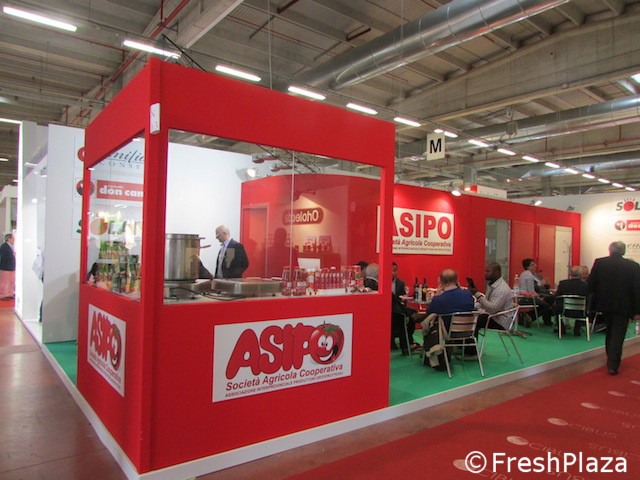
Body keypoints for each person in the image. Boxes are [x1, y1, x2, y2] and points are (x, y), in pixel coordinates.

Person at [588, 241, 640, 375]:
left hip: (604, 304)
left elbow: (591, 284)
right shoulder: (633, 266)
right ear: (623, 251)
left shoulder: (600, 263)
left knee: (609, 331)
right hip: (624, 306)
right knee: (618, 334)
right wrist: (637, 310)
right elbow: (637, 290)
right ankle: (613, 363)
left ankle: (610, 357)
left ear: (610, 250)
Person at [421, 269, 475, 368]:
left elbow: (429, 312)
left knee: (431, 322)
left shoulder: (439, 299)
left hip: (447, 333)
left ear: (441, 281)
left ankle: (430, 354)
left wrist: (437, 294)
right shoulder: (468, 295)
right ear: (456, 280)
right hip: (469, 332)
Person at [469, 262, 515, 354]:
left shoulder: (501, 289)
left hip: (500, 321)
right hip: (494, 316)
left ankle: (471, 352)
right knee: (470, 316)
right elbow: (486, 302)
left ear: (496, 272)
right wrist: (472, 306)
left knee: (472, 321)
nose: (485, 273)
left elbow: (492, 308)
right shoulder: (492, 285)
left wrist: (477, 294)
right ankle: (464, 347)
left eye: (488, 271)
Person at [391, 262, 419, 354]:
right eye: (392, 270)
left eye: (395, 270)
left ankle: (409, 339)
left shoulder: (400, 283)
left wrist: (403, 299)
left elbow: (403, 297)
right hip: (389, 309)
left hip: (399, 306)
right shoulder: (381, 283)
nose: (394, 273)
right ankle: (405, 345)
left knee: (413, 314)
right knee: (401, 316)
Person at [554, 265, 589, 336]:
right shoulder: (586, 285)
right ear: (580, 274)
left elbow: (556, 296)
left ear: (570, 273)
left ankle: (561, 329)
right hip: (581, 312)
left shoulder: (563, 283)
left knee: (555, 307)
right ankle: (577, 329)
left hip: (564, 311)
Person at [518, 258, 552, 326]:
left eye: (534, 264)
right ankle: (530, 317)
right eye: (532, 264)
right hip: (527, 298)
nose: (535, 265)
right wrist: (538, 297)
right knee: (546, 306)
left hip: (527, 296)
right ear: (527, 267)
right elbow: (531, 291)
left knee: (546, 302)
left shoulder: (525, 274)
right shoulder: (529, 276)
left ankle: (529, 317)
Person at [0, 233, 16, 300]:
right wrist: (12, 256)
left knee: (11, 281)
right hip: (6, 267)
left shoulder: (10, 247)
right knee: (4, 282)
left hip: (11, 267)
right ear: (9, 239)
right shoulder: (4, 246)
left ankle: (9, 294)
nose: (14, 240)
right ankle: (3, 295)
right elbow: (3, 257)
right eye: (13, 238)